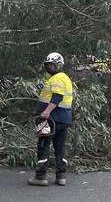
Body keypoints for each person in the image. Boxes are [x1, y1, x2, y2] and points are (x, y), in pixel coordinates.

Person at [28, 52, 74, 187]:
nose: (49, 67)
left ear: (59, 65)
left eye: (51, 65)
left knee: (43, 145)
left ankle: (40, 176)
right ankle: (61, 176)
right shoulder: (64, 78)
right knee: (59, 147)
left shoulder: (57, 78)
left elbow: (57, 97)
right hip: (63, 119)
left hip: (50, 119)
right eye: (47, 65)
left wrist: (46, 112)